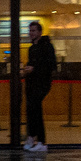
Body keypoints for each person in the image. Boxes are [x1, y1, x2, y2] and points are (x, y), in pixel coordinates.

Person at [21, 20, 56, 153]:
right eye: (30, 31)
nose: (31, 33)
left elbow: (50, 65)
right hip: (31, 83)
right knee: (31, 110)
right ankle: (32, 137)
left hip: (41, 83)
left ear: (40, 32)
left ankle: (40, 140)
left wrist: (34, 69)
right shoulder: (32, 48)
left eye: (34, 31)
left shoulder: (46, 47)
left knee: (35, 109)